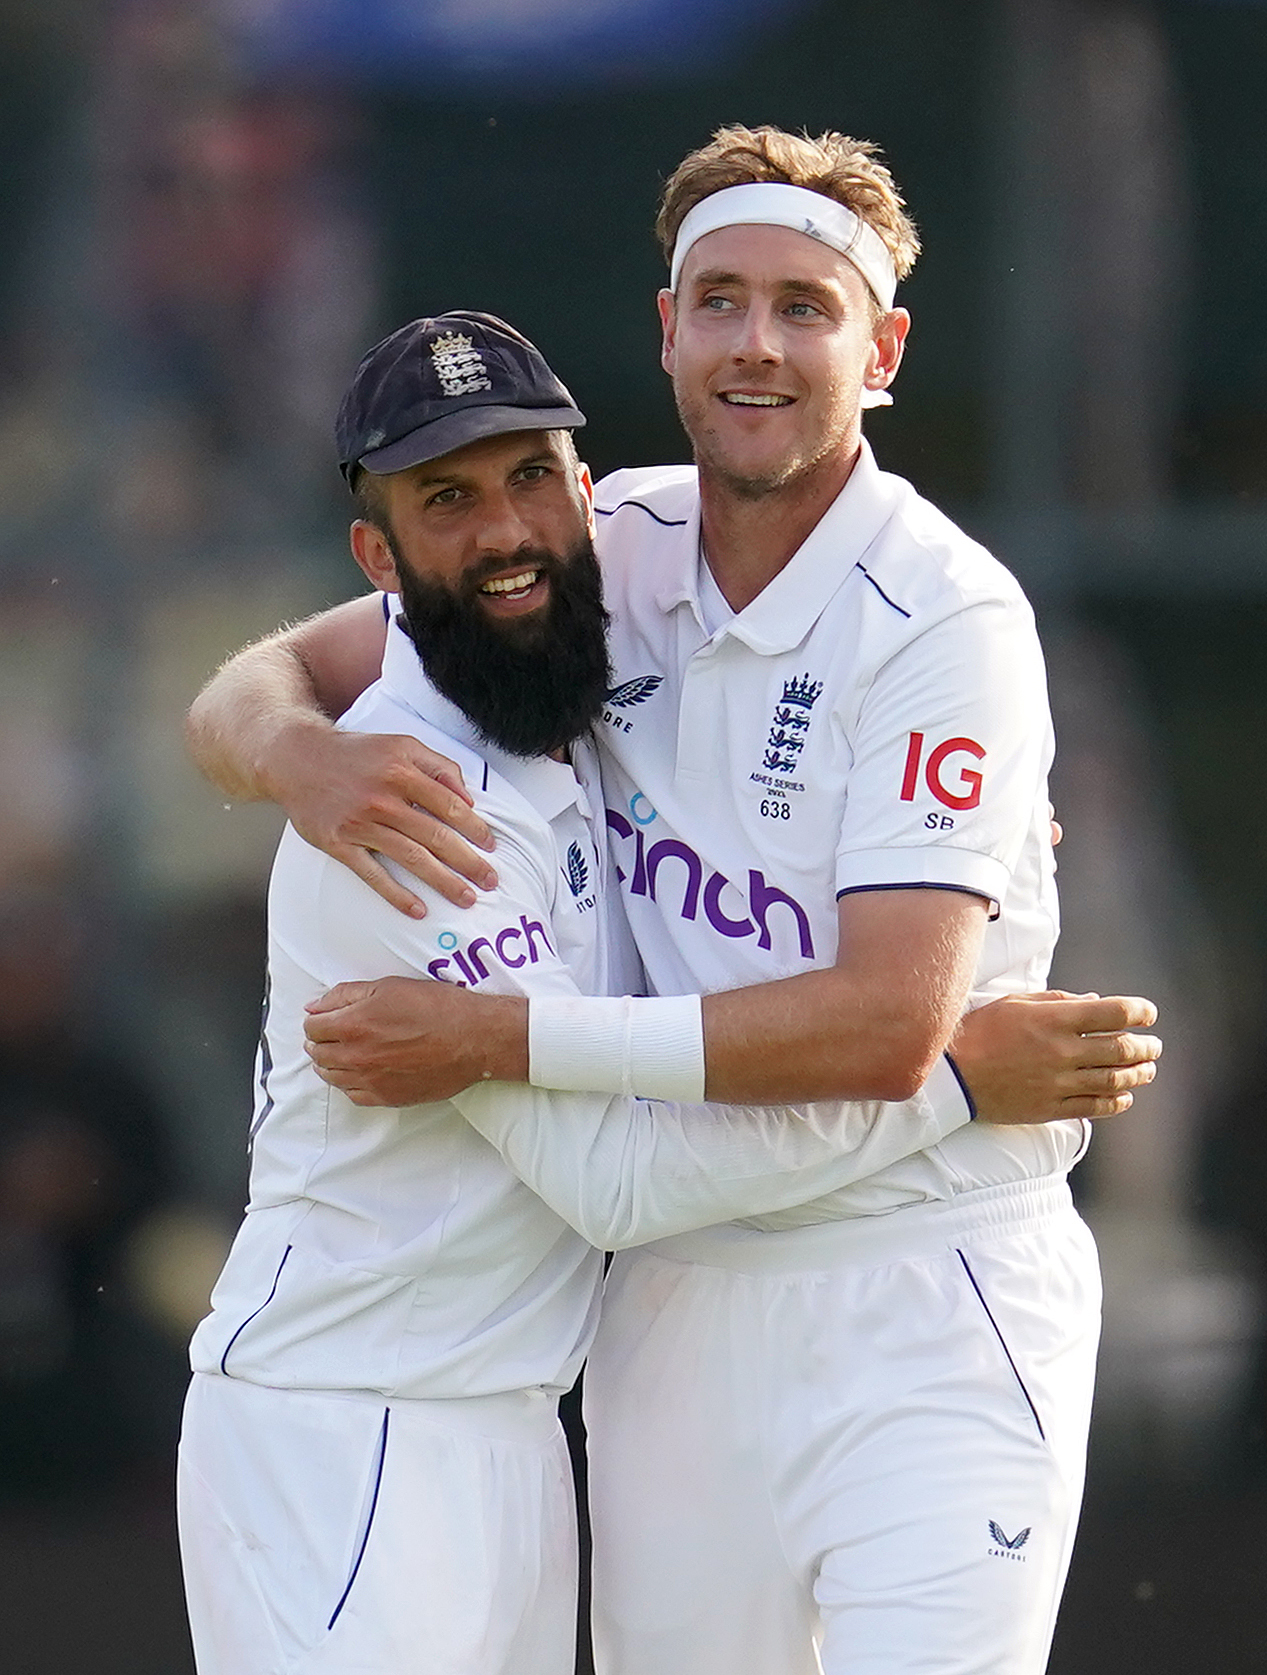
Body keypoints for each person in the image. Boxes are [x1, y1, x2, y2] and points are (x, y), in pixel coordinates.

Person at [186, 131, 1162, 1675]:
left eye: (804, 306)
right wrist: (298, 759)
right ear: (667, 331)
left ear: (885, 349)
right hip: (660, 1311)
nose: (756, 344)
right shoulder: (594, 537)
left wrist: (502, 1035)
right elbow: (259, 683)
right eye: (720, 301)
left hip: (929, 1284)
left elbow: (888, 1023)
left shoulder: (945, 612)